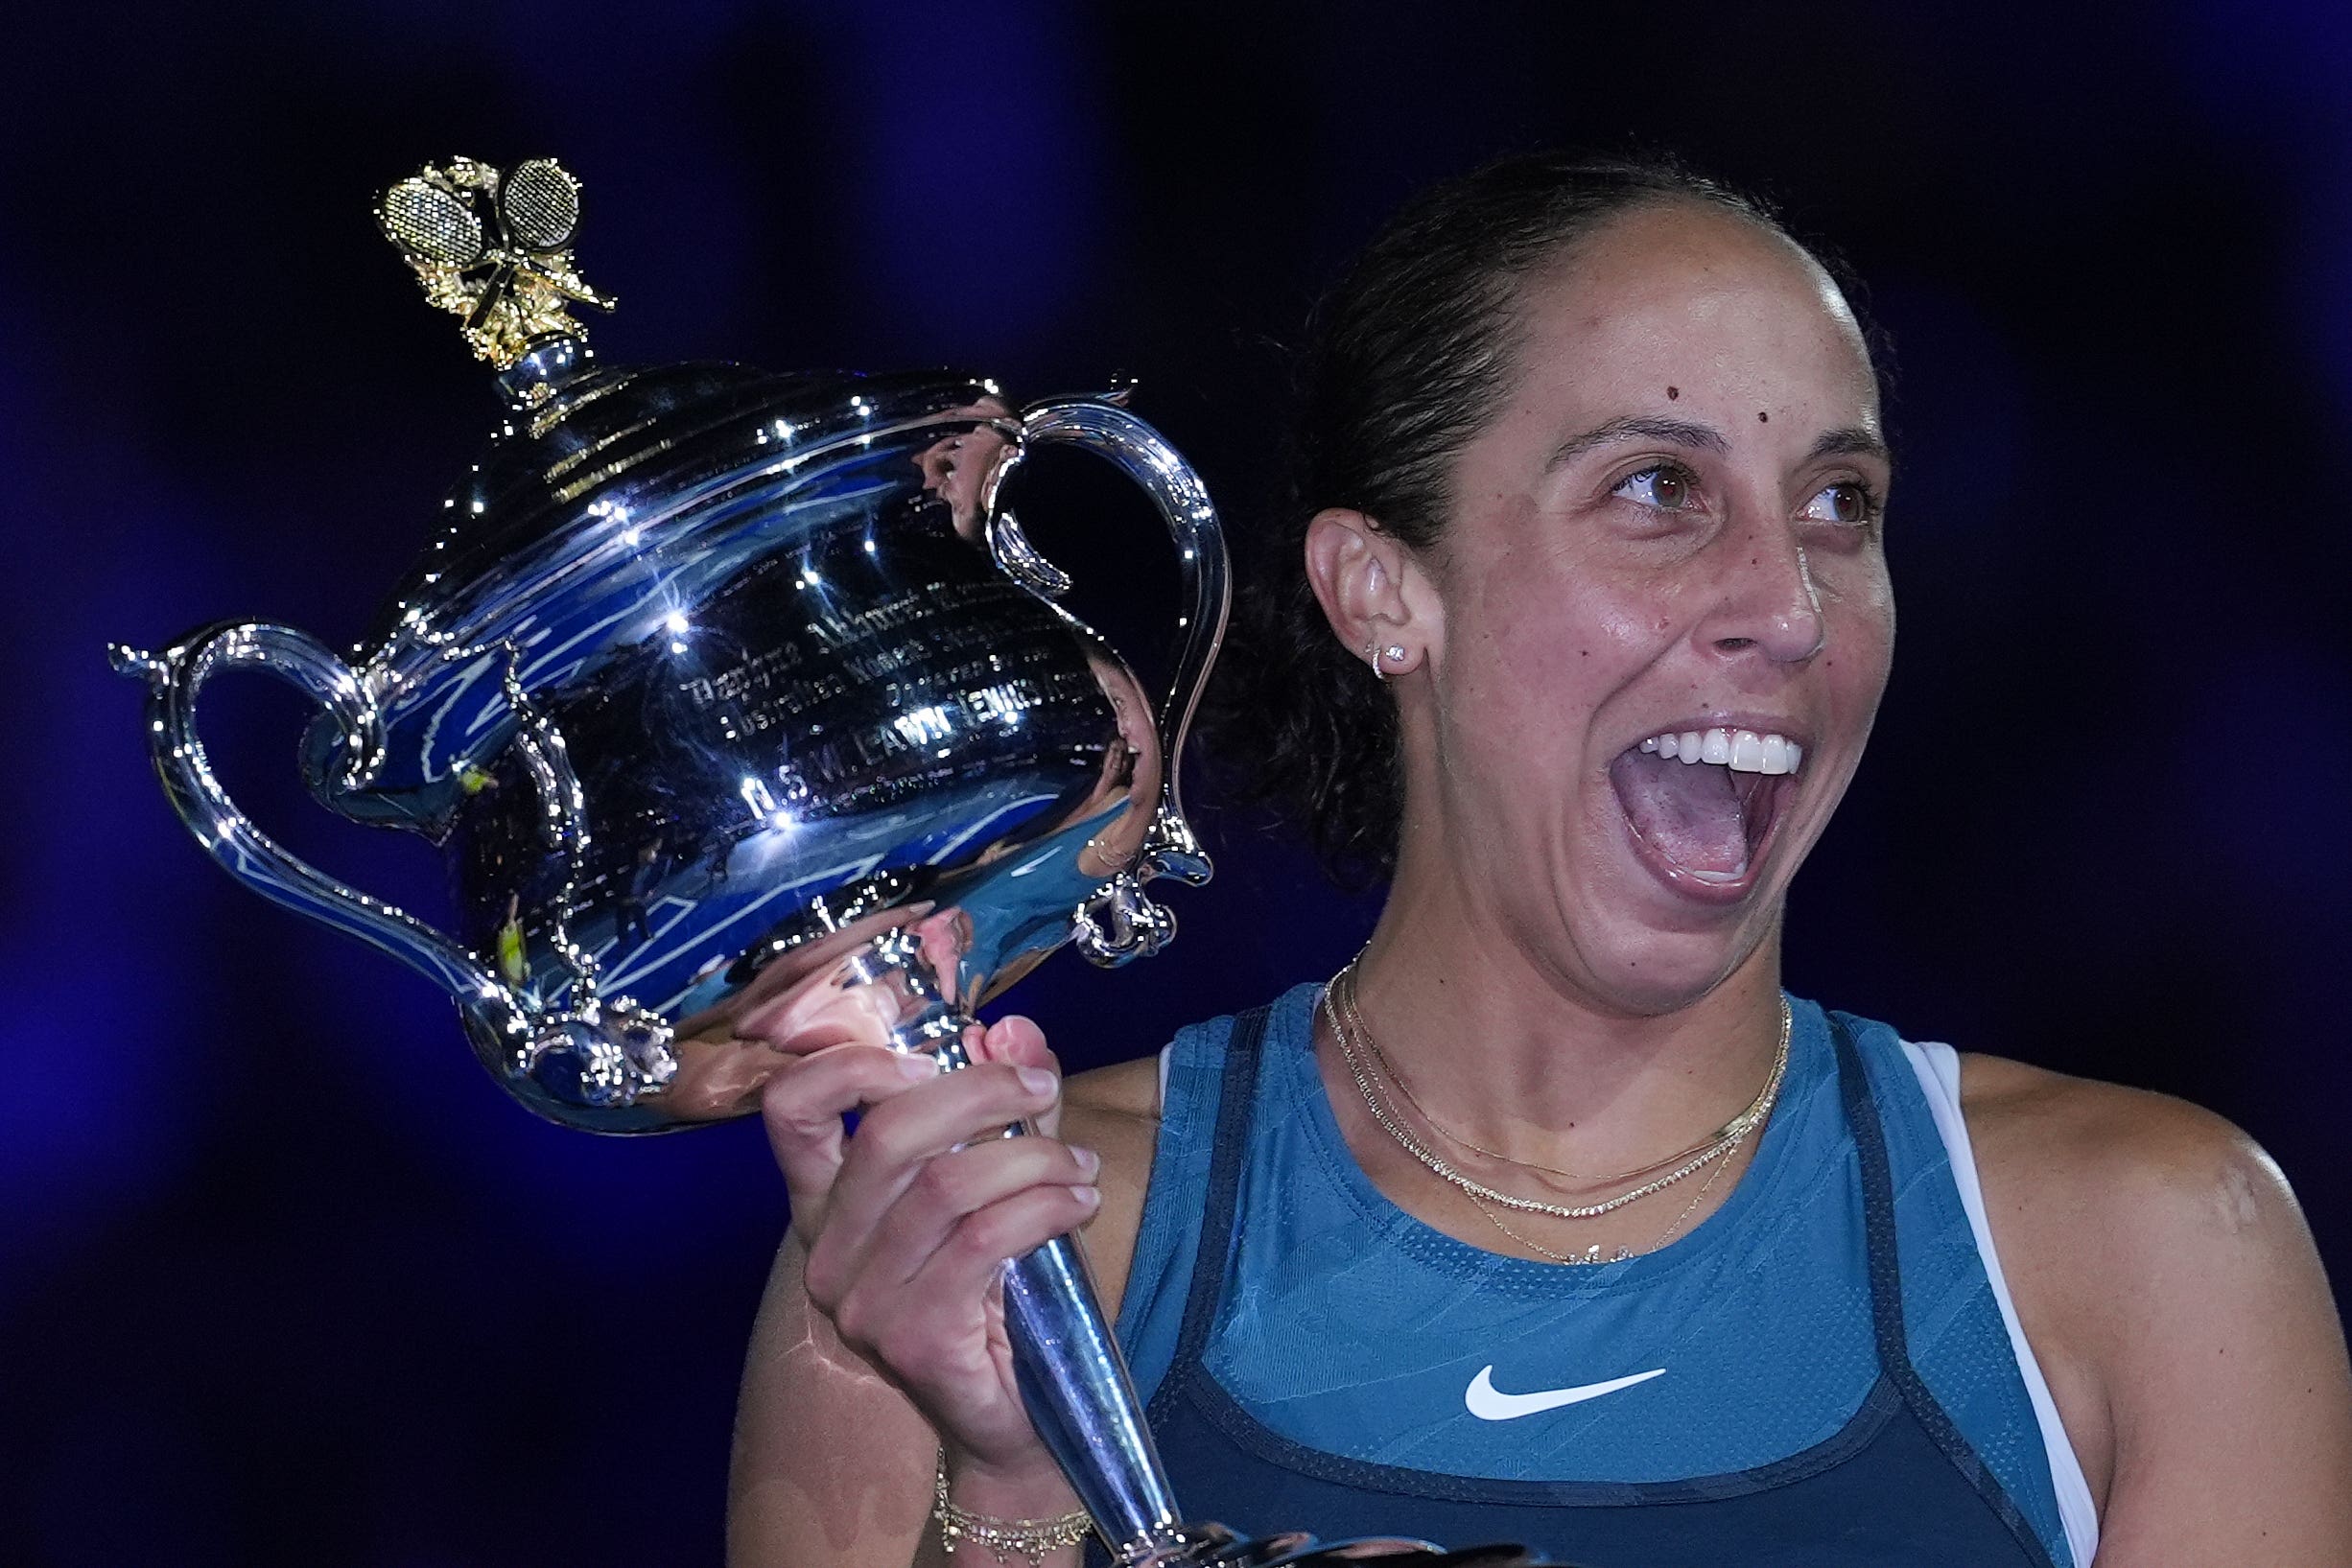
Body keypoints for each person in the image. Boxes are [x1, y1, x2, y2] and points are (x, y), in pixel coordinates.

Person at [722, 154, 2352, 1566]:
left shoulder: (2158, 1253)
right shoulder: (993, 1250)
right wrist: (1013, 1481)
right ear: (1383, 593)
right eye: (1660, 490)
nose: (1789, 609)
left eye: (1840, 504)